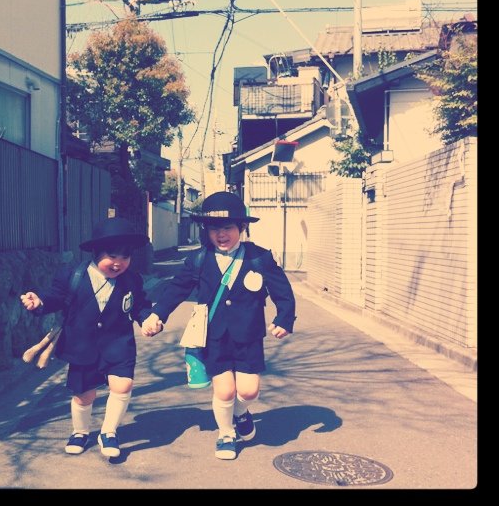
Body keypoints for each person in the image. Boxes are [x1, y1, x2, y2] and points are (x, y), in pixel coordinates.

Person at [141, 191, 296, 461]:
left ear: (242, 227)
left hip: (248, 336)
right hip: (214, 336)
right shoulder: (199, 260)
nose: (221, 235)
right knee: (224, 390)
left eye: (228, 228)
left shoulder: (259, 258)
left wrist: (284, 318)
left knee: (248, 391)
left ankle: (240, 412)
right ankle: (226, 433)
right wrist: (157, 314)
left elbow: (282, 290)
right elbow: (176, 289)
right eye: (214, 229)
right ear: (207, 230)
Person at [21, 217, 151, 458]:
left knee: (123, 385)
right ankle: (80, 432)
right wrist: (39, 303)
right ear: (96, 252)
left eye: (125, 257)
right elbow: (55, 297)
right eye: (112, 256)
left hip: (119, 344)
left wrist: (147, 319)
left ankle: (109, 432)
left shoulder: (132, 280)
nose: (118, 263)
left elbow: (140, 305)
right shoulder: (73, 275)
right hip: (82, 346)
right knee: (84, 396)